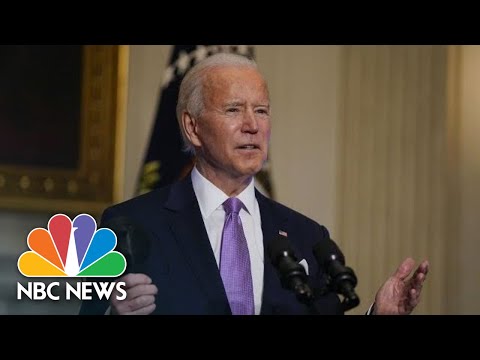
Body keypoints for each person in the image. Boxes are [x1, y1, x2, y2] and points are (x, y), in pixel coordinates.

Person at [78, 53, 429, 315]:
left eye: (261, 110)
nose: (253, 125)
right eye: (234, 110)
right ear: (192, 127)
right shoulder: (129, 225)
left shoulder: (308, 238)